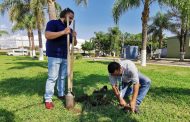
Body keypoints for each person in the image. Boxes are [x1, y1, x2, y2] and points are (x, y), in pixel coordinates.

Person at [44, 8, 77, 109]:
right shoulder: (53, 23)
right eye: (70, 18)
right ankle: (48, 99)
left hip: (65, 56)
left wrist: (74, 36)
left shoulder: (70, 30)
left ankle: (61, 93)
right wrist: (63, 32)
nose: (71, 20)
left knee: (63, 76)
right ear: (64, 16)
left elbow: (74, 43)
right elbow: (47, 35)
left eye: (72, 19)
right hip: (54, 55)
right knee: (52, 77)